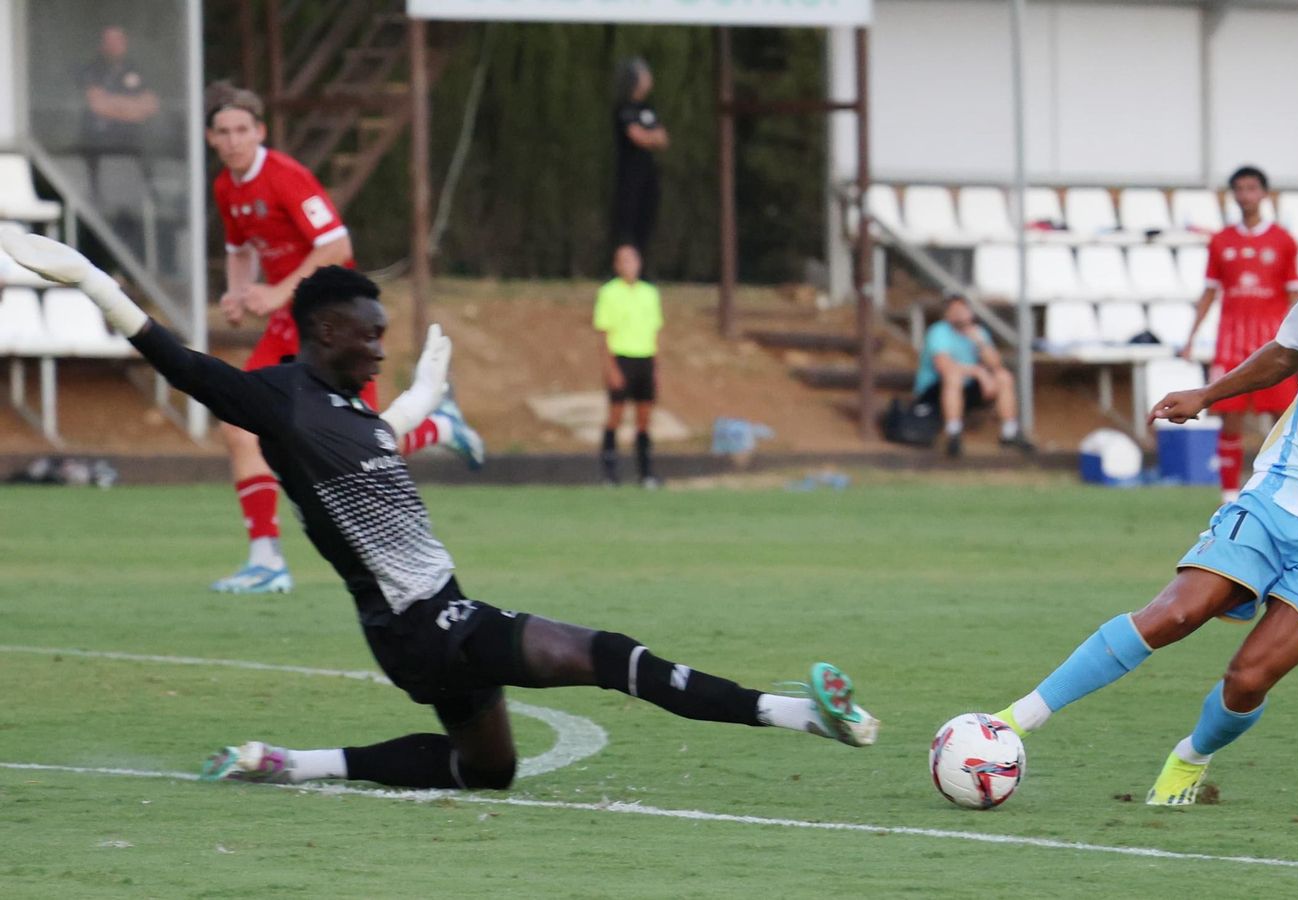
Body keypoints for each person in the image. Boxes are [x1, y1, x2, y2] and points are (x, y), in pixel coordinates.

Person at [0, 234, 878, 791]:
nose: (381, 343)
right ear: (323, 333)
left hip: (424, 624)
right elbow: (185, 366)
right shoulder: (281, 400)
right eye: (368, 333)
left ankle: (287, 763)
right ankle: (799, 713)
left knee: (487, 772)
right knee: (604, 655)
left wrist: (424, 394)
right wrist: (93, 283)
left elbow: (377, 439)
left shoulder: (346, 413)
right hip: (428, 622)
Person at [990, 182, 1298, 805]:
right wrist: (1207, 396)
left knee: (1247, 677)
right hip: (1274, 498)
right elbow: (1280, 357)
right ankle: (1013, 721)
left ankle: (1191, 759)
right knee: (1173, 613)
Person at [204, 82, 484, 595]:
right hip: (290, 323)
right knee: (239, 423)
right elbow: (240, 246)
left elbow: (336, 244)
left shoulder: (286, 177)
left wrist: (276, 292)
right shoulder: (227, 187)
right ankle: (266, 559)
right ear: (210, 137)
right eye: (223, 131)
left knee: (361, 444)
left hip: (336, 327)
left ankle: (437, 427)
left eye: (243, 129)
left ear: (260, 131)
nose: (234, 140)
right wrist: (240, 293)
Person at [1181, 167, 1298, 502]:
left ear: (1264, 193)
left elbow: (1295, 295)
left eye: (1252, 188)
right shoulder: (1221, 241)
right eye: (1240, 189)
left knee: (1284, 418)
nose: (1246, 195)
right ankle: (1229, 494)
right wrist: (1191, 337)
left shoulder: (1283, 241)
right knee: (1229, 417)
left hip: (1272, 342)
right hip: (1232, 341)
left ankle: (1284, 488)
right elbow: (1209, 292)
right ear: (1233, 195)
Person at [912, 293, 1030, 458]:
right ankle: (953, 433)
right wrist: (978, 372)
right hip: (935, 391)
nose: (960, 313)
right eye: (954, 310)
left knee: (1003, 377)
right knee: (953, 377)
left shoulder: (979, 333)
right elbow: (944, 366)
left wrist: (980, 343)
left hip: (969, 388)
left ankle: (1009, 432)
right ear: (947, 314)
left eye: (963, 309)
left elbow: (996, 365)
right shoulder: (939, 331)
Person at [595, 244, 663, 487]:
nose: (629, 266)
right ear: (616, 266)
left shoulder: (650, 293)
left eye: (632, 260)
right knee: (615, 415)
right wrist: (610, 367)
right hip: (621, 358)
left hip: (644, 358)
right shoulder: (609, 293)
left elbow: (655, 333)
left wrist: (656, 368)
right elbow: (603, 335)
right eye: (623, 261)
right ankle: (609, 473)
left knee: (644, 419)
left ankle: (645, 473)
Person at [79, 25, 159, 201]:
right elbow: (97, 104)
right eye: (109, 41)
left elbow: (151, 104)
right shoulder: (93, 69)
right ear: (102, 45)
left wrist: (115, 103)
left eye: (118, 40)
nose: (114, 45)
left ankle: (152, 192)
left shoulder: (135, 69)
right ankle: (95, 194)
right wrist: (132, 107)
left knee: (147, 143)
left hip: (131, 132)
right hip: (100, 133)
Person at [611, 58, 668, 261]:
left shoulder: (648, 109)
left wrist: (650, 137)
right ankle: (623, 264)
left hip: (648, 173)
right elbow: (638, 137)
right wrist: (649, 137)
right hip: (629, 176)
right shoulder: (625, 109)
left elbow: (662, 138)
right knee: (628, 222)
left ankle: (641, 266)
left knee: (647, 217)